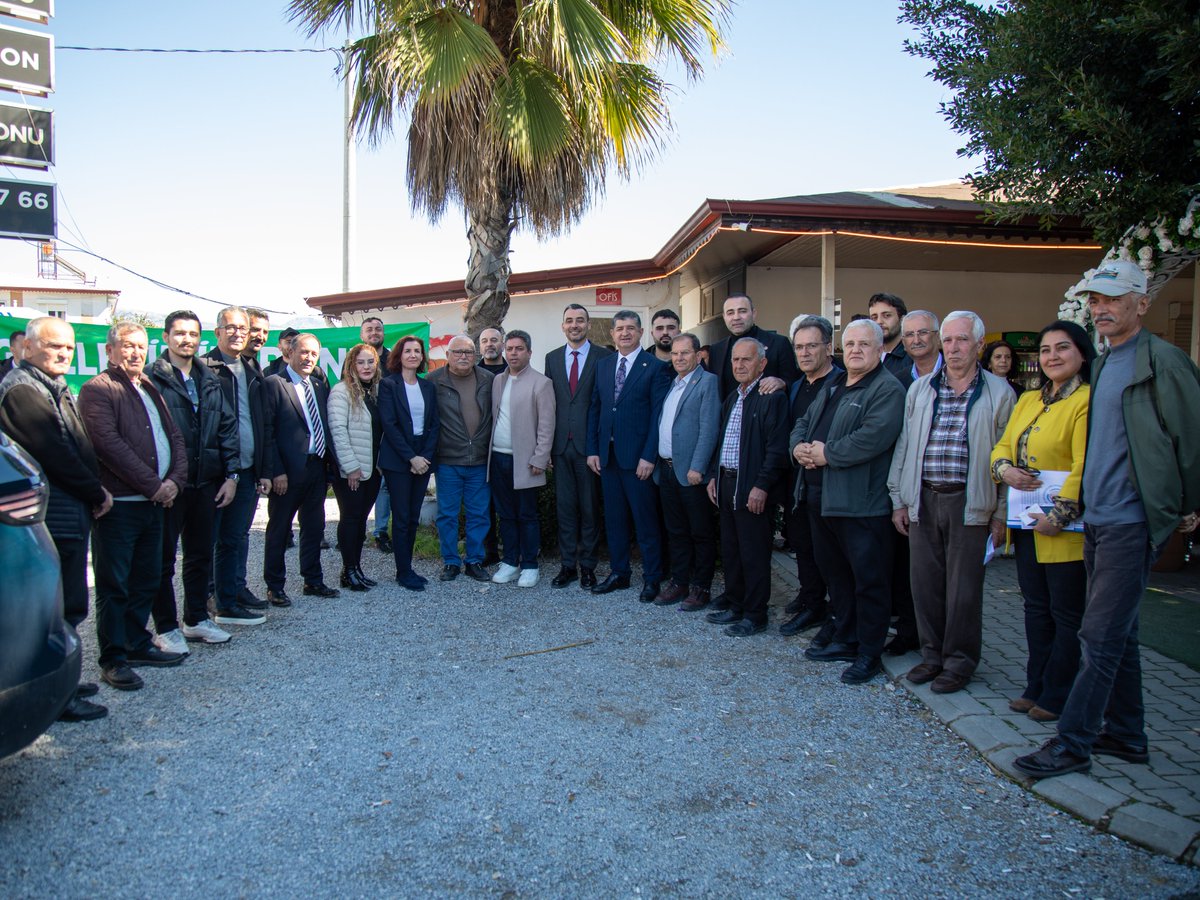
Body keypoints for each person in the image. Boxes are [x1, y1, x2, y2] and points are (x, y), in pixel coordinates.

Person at [1016, 259, 1200, 779]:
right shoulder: (1104, 363)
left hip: (1131, 520)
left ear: (1142, 303)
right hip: (1096, 519)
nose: (1101, 308)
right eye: (1095, 300)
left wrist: (1184, 506)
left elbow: (1191, 441)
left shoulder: (1163, 362)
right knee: (1120, 633)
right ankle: (1126, 735)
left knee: (1097, 636)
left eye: (1113, 298)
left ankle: (1073, 742)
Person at [889, 311, 1013, 695]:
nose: (955, 347)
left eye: (963, 340)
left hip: (970, 501)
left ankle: (959, 661)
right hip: (924, 496)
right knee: (925, 584)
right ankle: (933, 656)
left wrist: (1001, 512)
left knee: (964, 588)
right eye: (949, 340)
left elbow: (1009, 454)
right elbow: (905, 445)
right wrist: (899, 499)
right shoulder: (921, 389)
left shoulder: (999, 393)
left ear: (979, 345)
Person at [0, 317, 112, 720]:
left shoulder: (51, 385)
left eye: (68, 347)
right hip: (54, 512)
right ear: (26, 348)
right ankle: (56, 697)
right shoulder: (23, 391)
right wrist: (95, 491)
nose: (63, 353)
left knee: (70, 604)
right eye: (53, 346)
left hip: (68, 507)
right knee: (58, 608)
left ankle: (63, 681)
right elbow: (55, 453)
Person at [791, 319, 906, 684]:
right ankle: (847, 637)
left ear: (879, 349)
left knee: (868, 580)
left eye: (864, 344)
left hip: (861, 503)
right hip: (822, 499)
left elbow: (873, 438)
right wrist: (798, 447)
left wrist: (828, 454)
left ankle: (869, 653)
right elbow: (803, 421)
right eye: (850, 343)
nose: (855, 350)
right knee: (837, 576)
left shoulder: (887, 388)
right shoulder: (837, 382)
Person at [991, 321, 1093, 722]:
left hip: (1065, 528)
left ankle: (1059, 692)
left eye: (1062, 348)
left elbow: (1086, 464)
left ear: (1082, 353)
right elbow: (1003, 444)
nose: (1052, 356)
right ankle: (1035, 684)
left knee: (1066, 614)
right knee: (1036, 608)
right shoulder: (1030, 399)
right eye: (1046, 349)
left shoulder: (1086, 400)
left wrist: (1061, 514)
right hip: (1027, 522)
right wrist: (1004, 469)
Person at [79, 322, 188, 691]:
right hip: (121, 506)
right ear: (110, 351)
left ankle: (138, 643)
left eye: (141, 346)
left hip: (155, 504)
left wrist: (174, 480)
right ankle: (113, 658)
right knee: (115, 585)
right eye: (126, 346)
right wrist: (155, 486)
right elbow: (108, 445)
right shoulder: (98, 390)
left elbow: (174, 438)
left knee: (147, 579)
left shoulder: (149, 387)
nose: (135, 352)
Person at [148, 311, 241, 654]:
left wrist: (231, 476)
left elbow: (228, 430)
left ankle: (196, 619)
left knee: (200, 555)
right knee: (163, 560)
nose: (186, 339)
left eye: (192, 334)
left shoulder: (211, 379)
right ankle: (166, 627)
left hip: (207, 483)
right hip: (170, 485)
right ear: (166, 337)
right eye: (179, 333)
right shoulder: (152, 378)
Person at [704, 338, 789, 635]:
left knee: (754, 553)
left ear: (762, 364)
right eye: (736, 360)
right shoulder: (733, 397)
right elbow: (721, 441)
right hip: (727, 484)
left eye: (747, 360)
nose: (739, 365)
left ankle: (755, 615)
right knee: (732, 550)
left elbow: (777, 449)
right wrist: (714, 476)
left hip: (752, 488)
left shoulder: (772, 398)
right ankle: (737, 605)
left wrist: (762, 486)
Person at [587, 309, 671, 601]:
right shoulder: (604, 365)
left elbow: (658, 416)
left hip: (639, 462)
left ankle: (652, 578)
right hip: (607, 458)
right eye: (619, 328)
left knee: (646, 522)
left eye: (631, 328)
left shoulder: (655, 367)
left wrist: (649, 456)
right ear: (612, 334)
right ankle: (620, 574)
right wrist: (593, 450)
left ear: (640, 332)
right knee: (615, 521)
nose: (625, 333)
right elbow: (596, 409)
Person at [202, 306, 271, 623]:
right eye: (230, 327)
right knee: (209, 540)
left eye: (242, 329)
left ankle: (232, 592)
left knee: (237, 536)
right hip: (215, 472)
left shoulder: (252, 369)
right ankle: (208, 600)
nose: (238, 333)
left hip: (246, 470)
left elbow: (262, 424)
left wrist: (263, 470)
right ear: (217, 332)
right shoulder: (204, 369)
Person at [261, 333, 339, 605]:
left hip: (316, 469)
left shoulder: (318, 385)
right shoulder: (273, 384)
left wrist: (329, 468)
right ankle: (275, 586)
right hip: (287, 473)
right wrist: (276, 471)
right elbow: (267, 432)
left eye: (314, 354)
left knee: (314, 528)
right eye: (304, 352)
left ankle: (313, 580)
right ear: (290, 352)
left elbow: (323, 428)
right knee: (280, 530)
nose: (309, 358)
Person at [779, 315, 841, 636]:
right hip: (798, 483)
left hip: (829, 485)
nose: (804, 353)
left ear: (828, 347)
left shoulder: (842, 384)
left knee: (827, 553)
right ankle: (810, 597)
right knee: (802, 545)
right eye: (799, 347)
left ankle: (828, 609)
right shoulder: (796, 386)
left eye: (811, 346)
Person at [544, 303, 611, 589]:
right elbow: (548, 405)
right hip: (560, 446)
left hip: (590, 448)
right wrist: (545, 446)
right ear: (563, 326)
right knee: (566, 509)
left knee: (589, 509)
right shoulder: (552, 358)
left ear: (587, 324)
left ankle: (588, 567)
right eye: (569, 320)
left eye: (580, 320)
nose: (575, 325)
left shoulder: (604, 357)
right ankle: (567, 565)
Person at [654, 332, 720, 610]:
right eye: (675, 353)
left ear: (697, 355)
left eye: (685, 353)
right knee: (676, 531)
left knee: (700, 533)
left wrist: (698, 467)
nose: (679, 357)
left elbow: (709, 428)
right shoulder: (674, 383)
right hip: (667, 470)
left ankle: (701, 587)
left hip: (691, 472)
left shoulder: (707, 382)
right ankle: (679, 582)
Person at [488, 330, 555, 587]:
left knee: (527, 514)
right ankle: (509, 562)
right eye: (510, 348)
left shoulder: (541, 383)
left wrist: (540, 457)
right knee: (505, 514)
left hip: (526, 461)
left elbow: (547, 425)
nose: (513, 353)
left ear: (529, 352)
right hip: (498, 458)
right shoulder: (498, 381)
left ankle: (529, 564)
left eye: (518, 348)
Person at [428, 334, 494, 582]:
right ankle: (451, 561)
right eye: (458, 352)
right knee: (447, 514)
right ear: (447, 355)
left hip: (479, 460)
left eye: (468, 352)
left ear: (476, 355)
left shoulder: (488, 379)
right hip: (448, 460)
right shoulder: (434, 381)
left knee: (479, 514)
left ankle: (474, 560)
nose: (463, 356)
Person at [379, 336, 439, 591]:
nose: (413, 355)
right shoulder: (388, 385)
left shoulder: (428, 387)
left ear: (422, 356)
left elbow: (435, 424)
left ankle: (409, 567)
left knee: (413, 517)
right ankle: (403, 571)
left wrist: (423, 456)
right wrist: (410, 458)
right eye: (408, 351)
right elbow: (389, 425)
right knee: (402, 517)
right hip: (398, 459)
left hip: (422, 459)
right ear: (399, 356)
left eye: (417, 351)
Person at [328, 342, 384, 592]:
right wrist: (350, 467)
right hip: (352, 471)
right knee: (350, 519)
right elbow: (337, 431)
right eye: (360, 362)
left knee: (361, 520)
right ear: (351, 365)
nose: (366, 366)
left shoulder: (374, 391)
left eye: (370, 362)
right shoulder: (341, 392)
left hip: (372, 469)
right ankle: (347, 571)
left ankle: (356, 568)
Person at [705, 294, 799, 399]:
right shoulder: (716, 350)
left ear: (753, 314)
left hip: (766, 413)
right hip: (728, 414)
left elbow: (794, 383)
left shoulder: (778, 343)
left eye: (742, 311)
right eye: (730, 313)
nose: (736, 317)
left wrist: (782, 383)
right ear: (724, 317)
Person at [359, 317, 393, 553]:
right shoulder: (356, 358)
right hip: (362, 432)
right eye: (369, 329)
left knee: (384, 485)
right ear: (362, 335)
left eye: (378, 329)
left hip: (389, 430)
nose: (374, 332)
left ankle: (380, 531)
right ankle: (355, 528)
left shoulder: (394, 359)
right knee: (360, 484)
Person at [869, 293, 909, 381]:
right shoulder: (868, 354)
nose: (879, 321)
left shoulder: (911, 356)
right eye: (874, 317)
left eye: (887, 315)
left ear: (902, 320)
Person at [243, 308, 270, 375]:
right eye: (255, 330)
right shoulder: (227, 365)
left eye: (265, 332)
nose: (261, 336)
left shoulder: (256, 367)